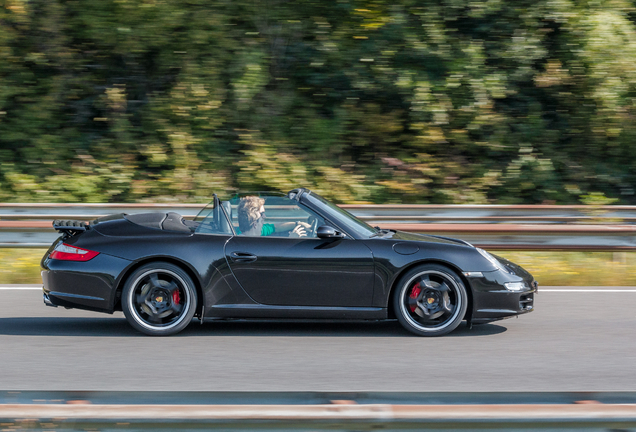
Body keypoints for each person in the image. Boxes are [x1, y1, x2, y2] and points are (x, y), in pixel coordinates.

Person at [237, 196, 311, 237]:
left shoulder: (255, 232)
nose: (264, 216)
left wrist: (298, 224)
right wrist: (291, 239)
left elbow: (275, 227)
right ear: (254, 223)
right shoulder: (251, 245)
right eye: (262, 213)